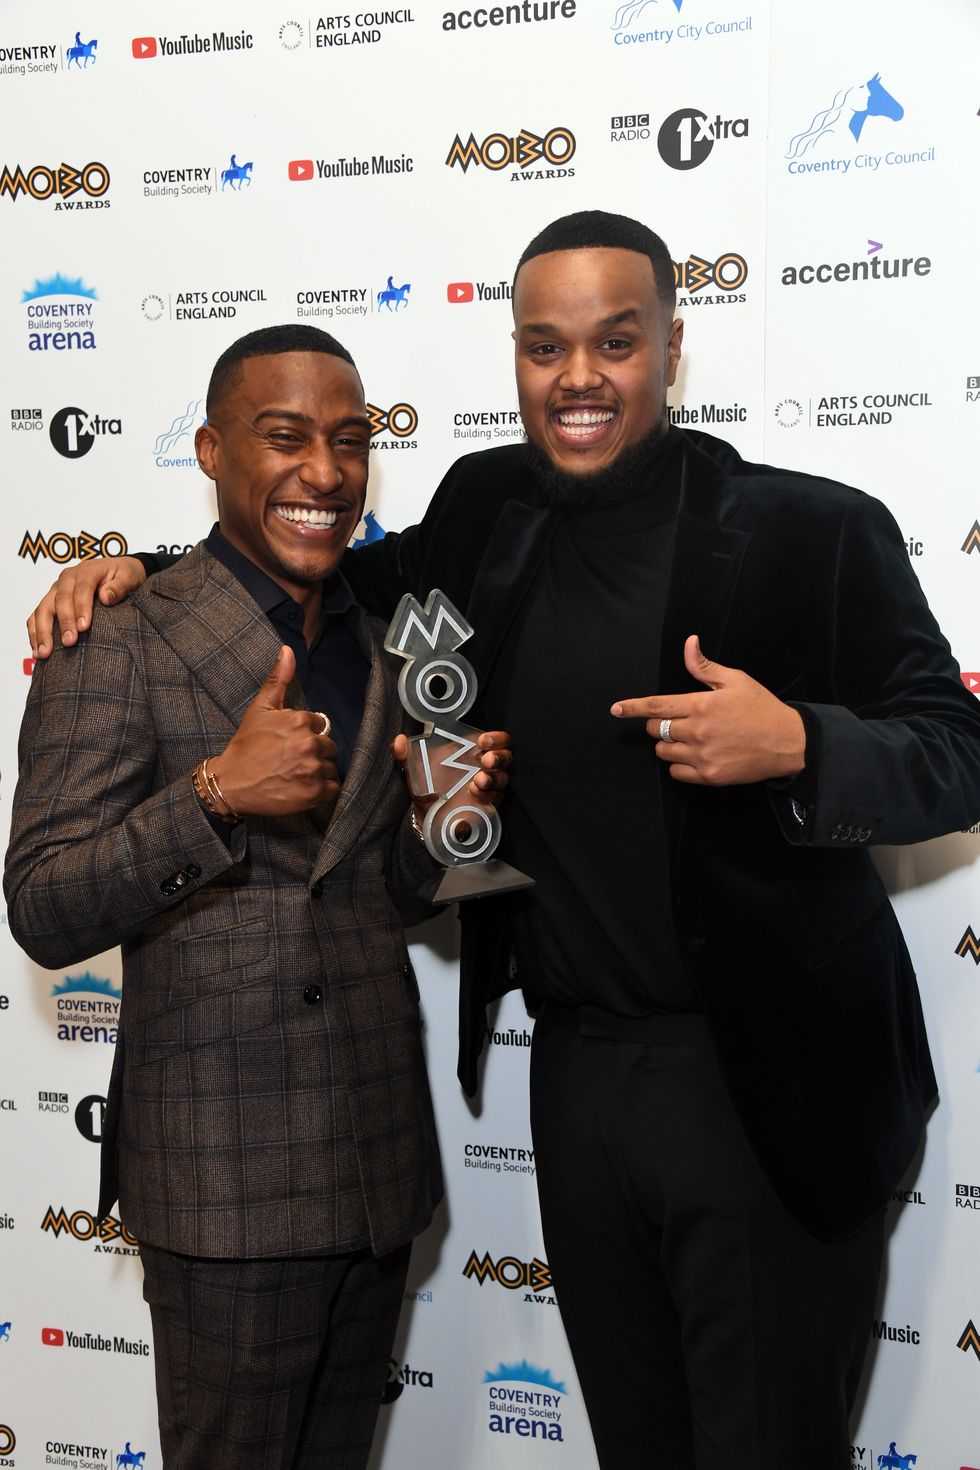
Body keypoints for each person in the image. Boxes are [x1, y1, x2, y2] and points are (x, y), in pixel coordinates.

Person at [26, 215, 980, 1469]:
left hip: (767, 1082)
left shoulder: (816, 530)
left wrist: (802, 743)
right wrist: (135, 567)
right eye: (544, 346)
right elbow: (320, 570)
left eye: (614, 343)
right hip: (576, 1078)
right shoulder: (488, 509)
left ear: (671, 348)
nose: (577, 377)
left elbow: (954, 750)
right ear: (518, 358)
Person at [5, 323, 509, 1470]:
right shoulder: (116, 636)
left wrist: (447, 828)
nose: (323, 472)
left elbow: (382, 897)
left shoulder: (395, 644)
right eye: (285, 437)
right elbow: (42, 904)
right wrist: (214, 796)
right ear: (211, 451)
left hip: (376, 1170)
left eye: (349, 441)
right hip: (220, 1185)